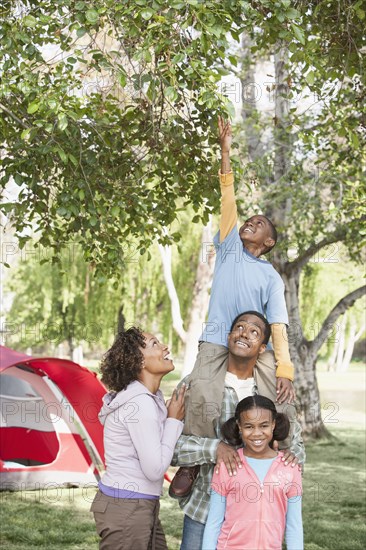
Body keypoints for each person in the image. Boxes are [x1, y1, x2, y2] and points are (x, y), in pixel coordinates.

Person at [170, 117, 296, 498]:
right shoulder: (227, 249)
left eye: (258, 225)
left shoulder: (271, 278)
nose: (250, 223)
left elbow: (276, 325)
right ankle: (192, 463)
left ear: (269, 242)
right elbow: (228, 198)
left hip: (256, 346)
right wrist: (225, 151)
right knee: (200, 392)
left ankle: (276, 455)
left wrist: (285, 369)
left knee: (268, 399)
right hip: (217, 339)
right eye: (249, 220)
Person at [171, 311, 305, 550]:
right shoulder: (196, 384)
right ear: (230, 336)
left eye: (255, 332)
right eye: (240, 327)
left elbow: (296, 445)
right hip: (205, 504)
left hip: (252, 513)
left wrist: (295, 455)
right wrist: (214, 448)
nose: (245, 333)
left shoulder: (274, 391)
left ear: (262, 348)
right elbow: (169, 443)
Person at [90, 327, 185, 550]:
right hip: (128, 507)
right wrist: (173, 420)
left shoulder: (147, 398)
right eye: (154, 344)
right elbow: (154, 469)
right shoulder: (140, 404)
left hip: (137, 504)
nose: (165, 347)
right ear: (138, 361)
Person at [202, 394, 303, 550]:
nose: (257, 433)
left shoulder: (290, 468)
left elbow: (294, 526)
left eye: (264, 425)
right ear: (239, 427)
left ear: (273, 425)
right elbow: (214, 522)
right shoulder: (227, 466)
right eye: (249, 426)